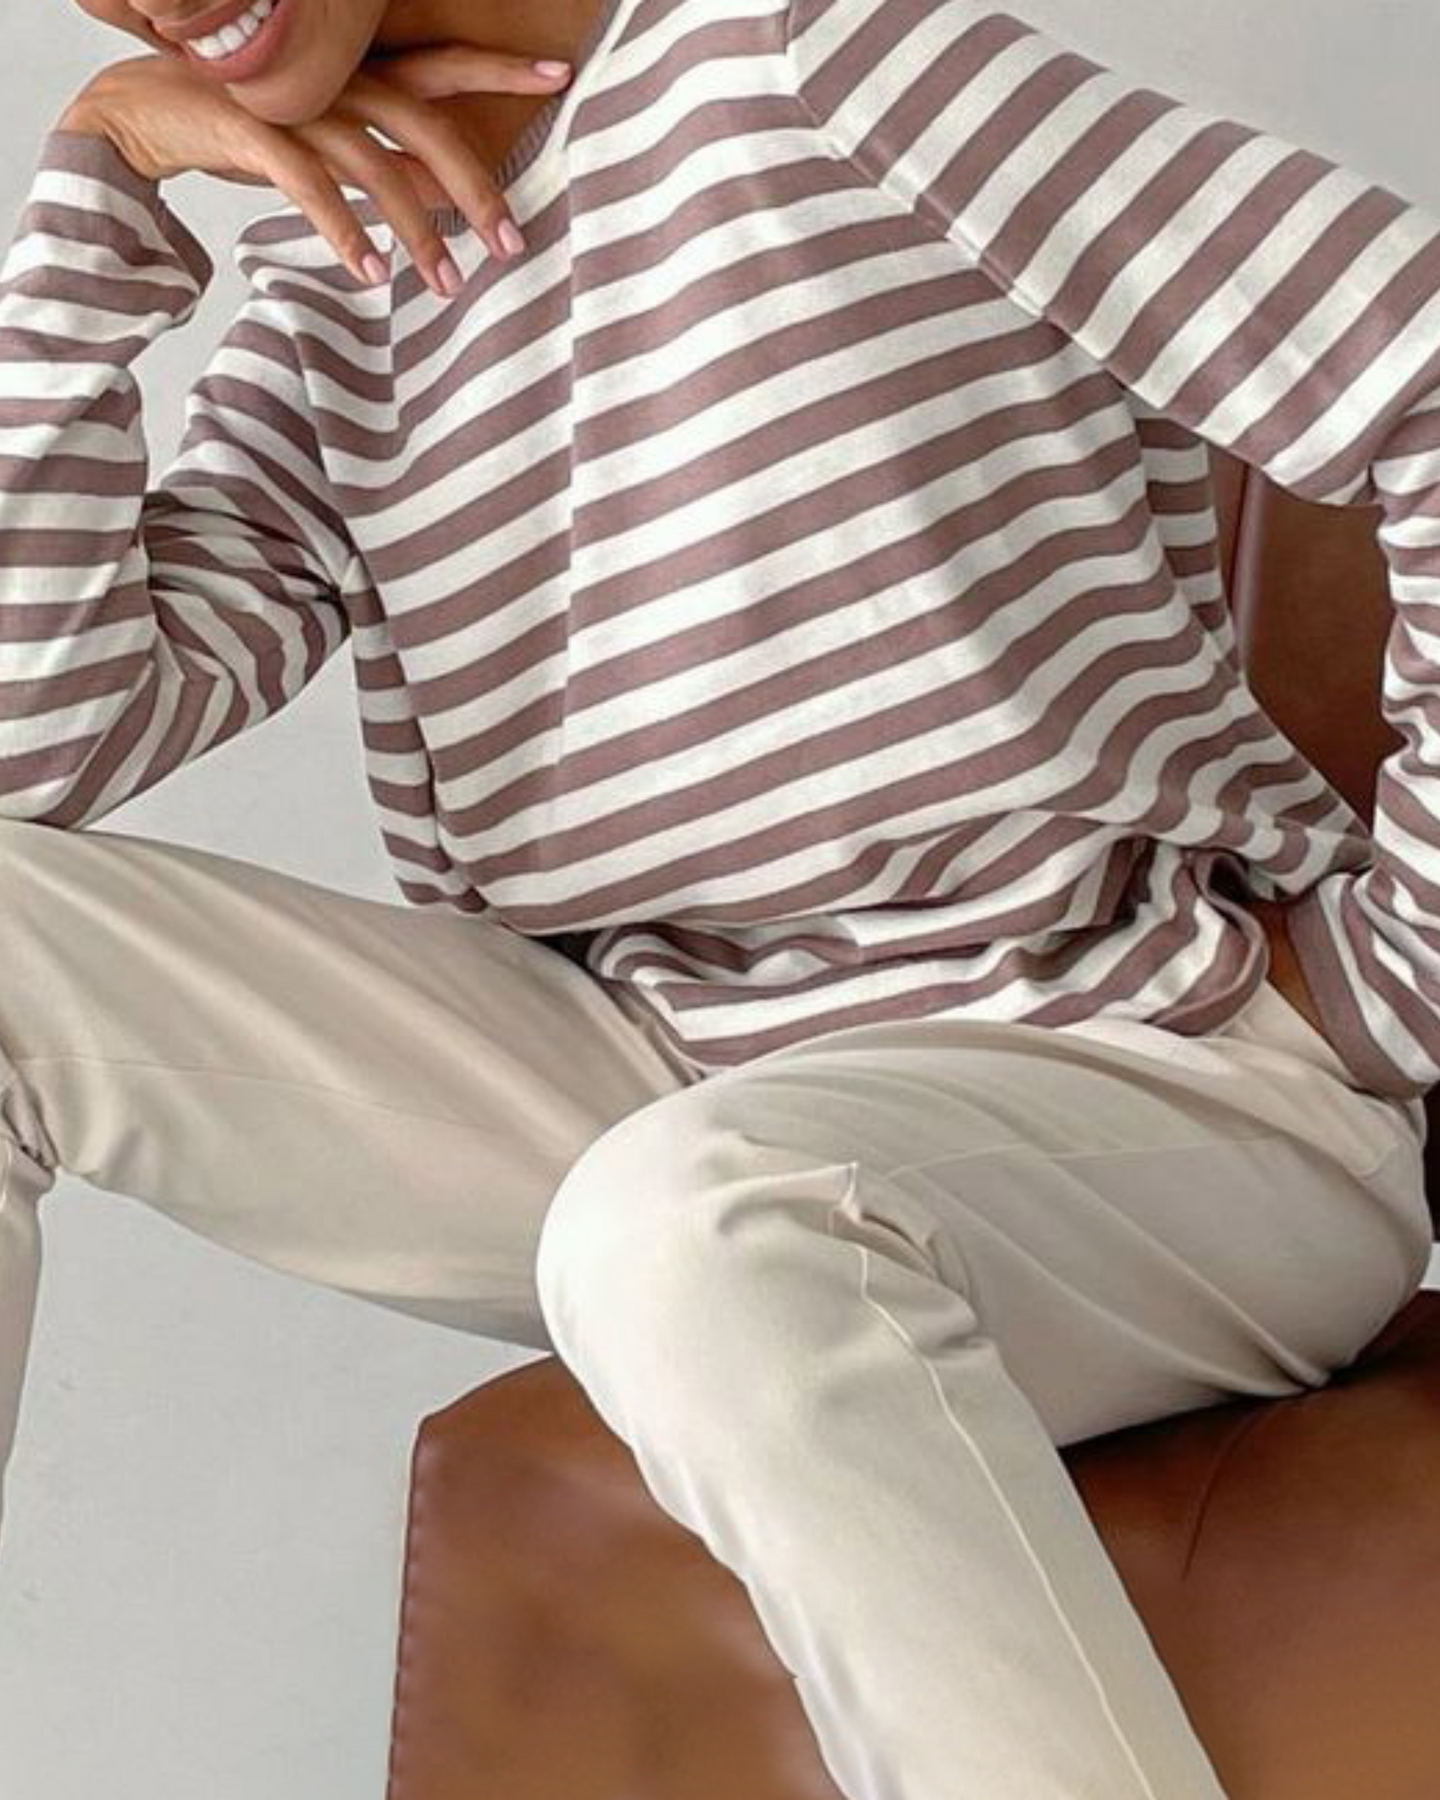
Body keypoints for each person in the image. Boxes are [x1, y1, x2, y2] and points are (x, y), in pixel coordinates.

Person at [2, 1, 1436, 1793]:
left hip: (1157, 1072)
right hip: (666, 1089)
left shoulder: (816, 60)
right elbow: (35, 745)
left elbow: (1421, 359)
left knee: (691, 1224)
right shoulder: (335, 285)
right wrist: (102, 178)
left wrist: (1403, 973)